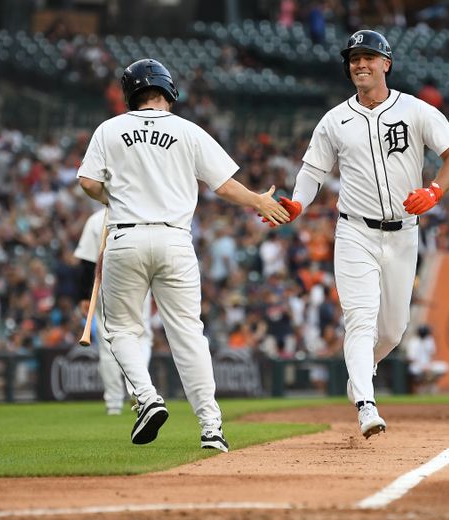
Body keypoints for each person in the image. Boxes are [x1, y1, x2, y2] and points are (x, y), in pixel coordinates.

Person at [78, 58, 290, 450]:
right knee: (189, 335)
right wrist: (259, 202)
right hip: (175, 240)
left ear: (130, 94)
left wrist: (113, 198)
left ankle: (147, 397)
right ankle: (211, 427)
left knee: (123, 330)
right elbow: (224, 186)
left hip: (126, 237)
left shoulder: (109, 129)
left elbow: (88, 182)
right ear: (168, 91)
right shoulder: (187, 130)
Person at [265, 30, 449, 437]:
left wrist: (434, 191)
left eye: (369, 57)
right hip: (355, 231)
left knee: (392, 330)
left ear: (386, 64)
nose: (360, 64)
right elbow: (312, 171)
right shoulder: (334, 120)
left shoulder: (414, 110)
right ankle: (365, 403)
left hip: (403, 232)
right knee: (360, 320)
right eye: (354, 58)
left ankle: (361, 372)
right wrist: (299, 203)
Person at [74, 207, 153, 416]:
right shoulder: (141, 211)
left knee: (108, 345)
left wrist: (83, 295)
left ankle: (113, 403)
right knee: (141, 338)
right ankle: (139, 388)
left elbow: (86, 263)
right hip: (138, 283)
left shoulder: (96, 219)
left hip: (104, 286)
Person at [405, 325, 448, 394]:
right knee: (414, 370)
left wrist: (429, 365)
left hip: (428, 365)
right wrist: (423, 367)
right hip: (417, 366)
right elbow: (411, 358)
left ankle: (430, 385)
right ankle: (422, 387)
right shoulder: (413, 342)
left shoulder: (429, 340)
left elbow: (432, 355)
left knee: (444, 366)